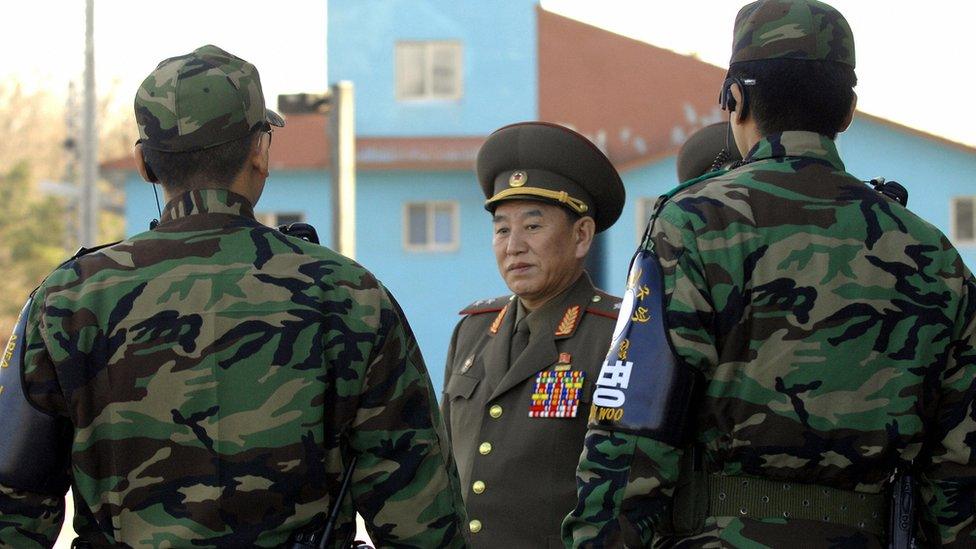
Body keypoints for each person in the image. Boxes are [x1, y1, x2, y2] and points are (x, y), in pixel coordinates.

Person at [0, 45, 468, 547]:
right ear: (260, 153)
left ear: (143, 163)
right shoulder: (349, 295)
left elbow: (13, 507)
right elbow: (424, 520)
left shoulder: (67, 299)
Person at [564, 1, 976, 547]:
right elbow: (961, 467)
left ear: (736, 98)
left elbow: (633, 420)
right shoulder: (933, 253)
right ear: (847, 111)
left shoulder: (695, 223)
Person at [442, 121, 625, 547]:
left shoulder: (618, 337)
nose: (513, 245)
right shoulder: (471, 332)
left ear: (581, 236)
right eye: (502, 229)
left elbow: (632, 486)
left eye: (533, 226)